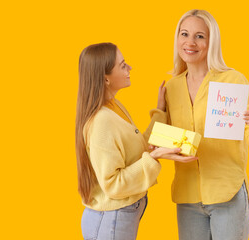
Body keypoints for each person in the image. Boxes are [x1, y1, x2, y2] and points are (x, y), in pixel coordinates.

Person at [154, 10, 249, 240]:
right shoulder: (172, 87)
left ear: (212, 42)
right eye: (184, 33)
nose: (190, 42)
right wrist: (159, 111)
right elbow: (162, 141)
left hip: (227, 194)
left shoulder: (233, 80)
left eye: (200, 36)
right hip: (187, 196)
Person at [75, 43, 197, 240]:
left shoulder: (113, 107)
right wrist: (154, 157)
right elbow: (113, 185)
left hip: (118, 217)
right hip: (111, 220)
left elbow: (140, 146)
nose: (129, 68)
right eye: (123, 65)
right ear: (106, 78)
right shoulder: (102, 121)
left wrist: (160, 110)